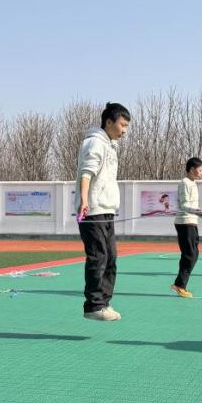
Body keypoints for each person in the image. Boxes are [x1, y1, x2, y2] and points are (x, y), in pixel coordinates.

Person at [76, 102, 130, 321]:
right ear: (109, 122)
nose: (125, 130)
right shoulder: (94, 143)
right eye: (122, 124)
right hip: (93, 211)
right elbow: (86, 173)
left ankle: (103, 303)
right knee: (98, 256)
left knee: (111, 258)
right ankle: (93, 305)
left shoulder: (109, 145)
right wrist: (83, 201)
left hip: (107, 210)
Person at [171, 157, 202, 297]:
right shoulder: (185, 183)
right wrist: (200, 212)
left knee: (193, 254)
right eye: (200, 170)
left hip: (191, 222)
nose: (201, 172)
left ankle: (179, 284)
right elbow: (185, 205)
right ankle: (179, 286)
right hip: (184, 222)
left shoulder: (193, 183)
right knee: (190, 255)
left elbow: (194, 207)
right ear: (191, 169)